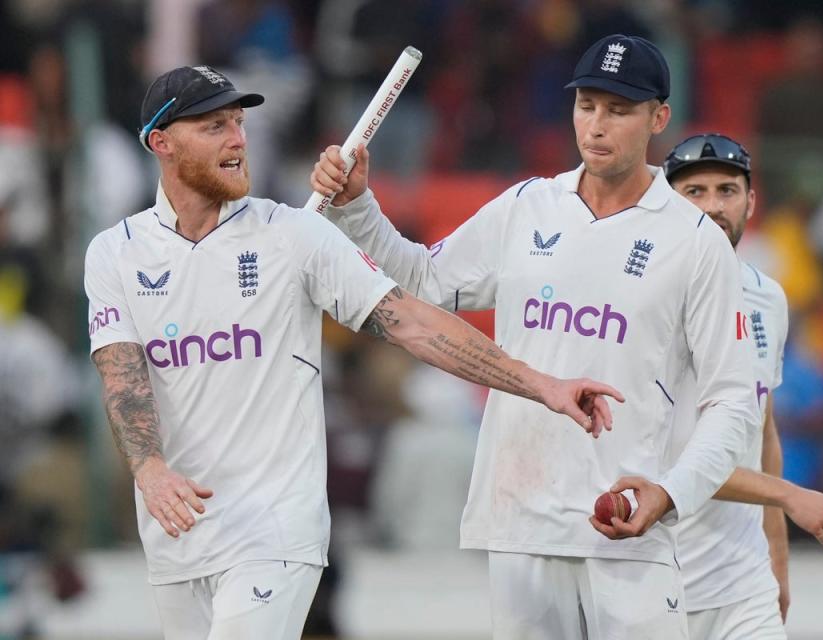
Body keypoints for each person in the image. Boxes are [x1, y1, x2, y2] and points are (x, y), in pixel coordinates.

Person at [84, 65, 623, 640]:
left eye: (239, 123)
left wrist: (540, 383)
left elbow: (413, 323)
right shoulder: (115, 253)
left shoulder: (293, 234)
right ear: (160, 143)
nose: (238, 139)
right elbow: (123, 377)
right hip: (176, 529)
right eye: (215, 126)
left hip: (274, 531)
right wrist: (150, 469)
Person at [313, 35, 759, 639]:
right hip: (521, 520)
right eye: (587, 106)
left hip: (630, 529)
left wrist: (669, 494)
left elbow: (733, 401)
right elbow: (423, 279)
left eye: (619, 110)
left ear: (659, 118)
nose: (597, 126)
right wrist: (358, 206)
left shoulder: (697, 241)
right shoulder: (528, 206)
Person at [660, 133, 823, 639]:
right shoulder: (642, 299)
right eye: (694, 191)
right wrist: (790, 496)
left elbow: (760, 431)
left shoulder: (768, 297)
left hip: (742, 587)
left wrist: (777, 562)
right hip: (652, 579)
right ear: (665, 201)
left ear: (751, 200)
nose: (713, 206)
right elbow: (678, 461)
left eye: (727, 190)